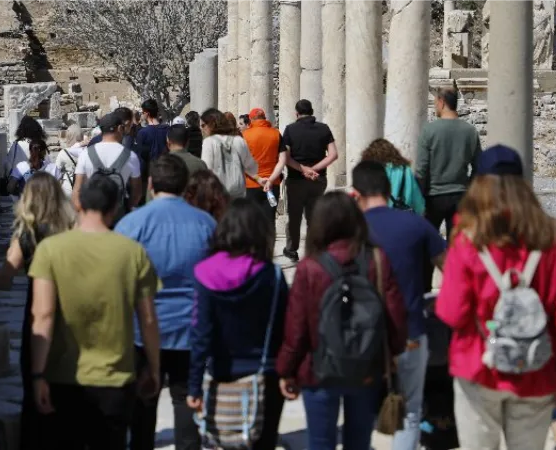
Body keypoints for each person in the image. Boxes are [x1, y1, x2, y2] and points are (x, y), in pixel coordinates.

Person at [434, 145, 556, 450]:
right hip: (537, 368)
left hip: (478, 366)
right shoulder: (551, 235)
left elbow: (452, 312)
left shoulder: (467, 236)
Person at [29, 173, 162, 450]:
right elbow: (147, 319)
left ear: (78, 204)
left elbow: (43, 316)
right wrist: (154, 367)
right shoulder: (132, 252)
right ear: (114, 209)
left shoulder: (50, 250)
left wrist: (37, 374)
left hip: (63, 377)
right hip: (115, 378)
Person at [277, 192, 407, 450]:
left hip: (319, 369)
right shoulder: (377, 260)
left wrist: (286, 369)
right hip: (366, 364)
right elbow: (396, 317)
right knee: (359, 442)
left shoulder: (309, 268)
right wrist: (393, 356)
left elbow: (296, 328)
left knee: (321, 443)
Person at [115, 154, 215, 450]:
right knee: (186, 405)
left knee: (142, 410)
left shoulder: (131, 224)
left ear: (150, 184)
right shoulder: (206, 224)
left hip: (141, 332)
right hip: (190, 329)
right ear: (186, 185)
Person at [0, 172, 74, 449]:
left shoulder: (27, 233)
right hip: (74, 310)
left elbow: (6, 276)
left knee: (34, 380)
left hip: (37, 309)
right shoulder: (73, 230)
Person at [351, 160, 447, 450]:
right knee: (410, 412)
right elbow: (453, 271)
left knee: (359, 413)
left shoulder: (348, 230)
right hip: (410, 332)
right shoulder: (416, 224)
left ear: (356, 194)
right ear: (388, 189)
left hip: (361, 335)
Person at [188, 198, 289, 450]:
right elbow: (285, 329)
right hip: (265, 377)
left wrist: (194, 386)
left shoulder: (204, 273)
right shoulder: (272, 276)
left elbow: (201, 334)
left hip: (221, 375)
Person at [416, 87, 482, 240]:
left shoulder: (429, 131)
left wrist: (419, 200)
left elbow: (421, 169)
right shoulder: (470, 131)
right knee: (457, 246)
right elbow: (479, 166)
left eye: (435, 103)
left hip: (433, 196)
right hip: (461, 195)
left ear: (441, 102)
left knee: (427, 247)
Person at [281, 99, 338, 263]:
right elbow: (333, 154)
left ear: (296, 113)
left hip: (296, 179)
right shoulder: (324, 128)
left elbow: (285, 157)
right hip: (318, 179)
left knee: (294, 215)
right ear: (312, 111)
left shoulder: (290, 129)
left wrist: (303, 169)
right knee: (314, 216)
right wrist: (315, 169)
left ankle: (292, 249)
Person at [72, 113, 142, 217]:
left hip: (93, 217)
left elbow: (77, 190)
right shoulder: (131, 156)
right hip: (120, 218)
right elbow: (137, 193)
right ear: (119, 128)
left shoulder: (85, 154)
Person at [199, 108, 263, 199]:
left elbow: (207, 170)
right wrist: (259, 179)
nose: (202, 129)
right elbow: (251, 167)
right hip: (238, 191)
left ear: (212, 125)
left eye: (203, 125)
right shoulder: (239, 140)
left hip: (219, 192)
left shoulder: (209, 142)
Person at [242, 107, 286, 222]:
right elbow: (282, 160)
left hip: (251, 183)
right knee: (269, 221)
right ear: (265, 118)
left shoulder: (245, 135)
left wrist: (258, 178)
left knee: (252, 222)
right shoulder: (276, 134)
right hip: (272, 184)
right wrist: (270, 180)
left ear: (250, 119)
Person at [361, 139, 425, 215]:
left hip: (376, 217)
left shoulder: (368, 170)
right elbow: (417, 202)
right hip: (400, 217)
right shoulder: (405, 170)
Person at [0, 116, 47, 194]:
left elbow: (8, 165)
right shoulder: (40, 144)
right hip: (37, 182)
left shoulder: (17, 144)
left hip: (17, 183)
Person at [56, 124, 88, 196]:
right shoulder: (88, 151)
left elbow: (56, 172)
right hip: (84, 188)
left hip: (68, 188)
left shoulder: (63, 153)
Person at [137, 98, 171, 163]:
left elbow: (141, 155)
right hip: (166, 167)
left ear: (147, 113)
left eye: (142, 112)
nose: (142, 114)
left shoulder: (142, 133)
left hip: (150, 169)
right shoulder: (168, 129)